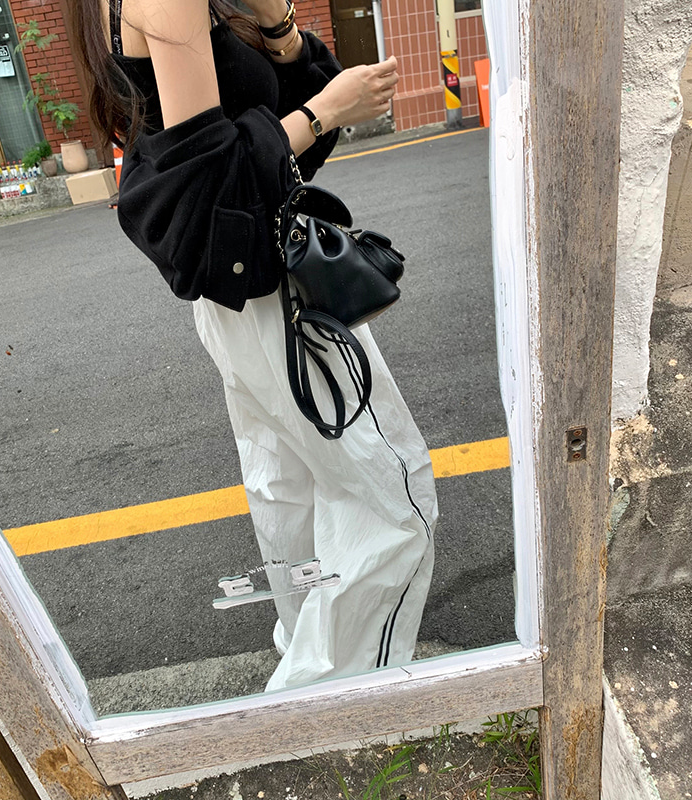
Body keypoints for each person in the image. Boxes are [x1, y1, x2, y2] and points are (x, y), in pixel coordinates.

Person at [71, 0, 438, 692]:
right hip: (273, 298)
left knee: (287, 487)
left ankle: (309, 657)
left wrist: (277, 25)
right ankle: (344, 699)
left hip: (247, 299)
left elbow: (268, 153)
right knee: (394, 498)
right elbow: (219, 184)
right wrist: (326, 109)